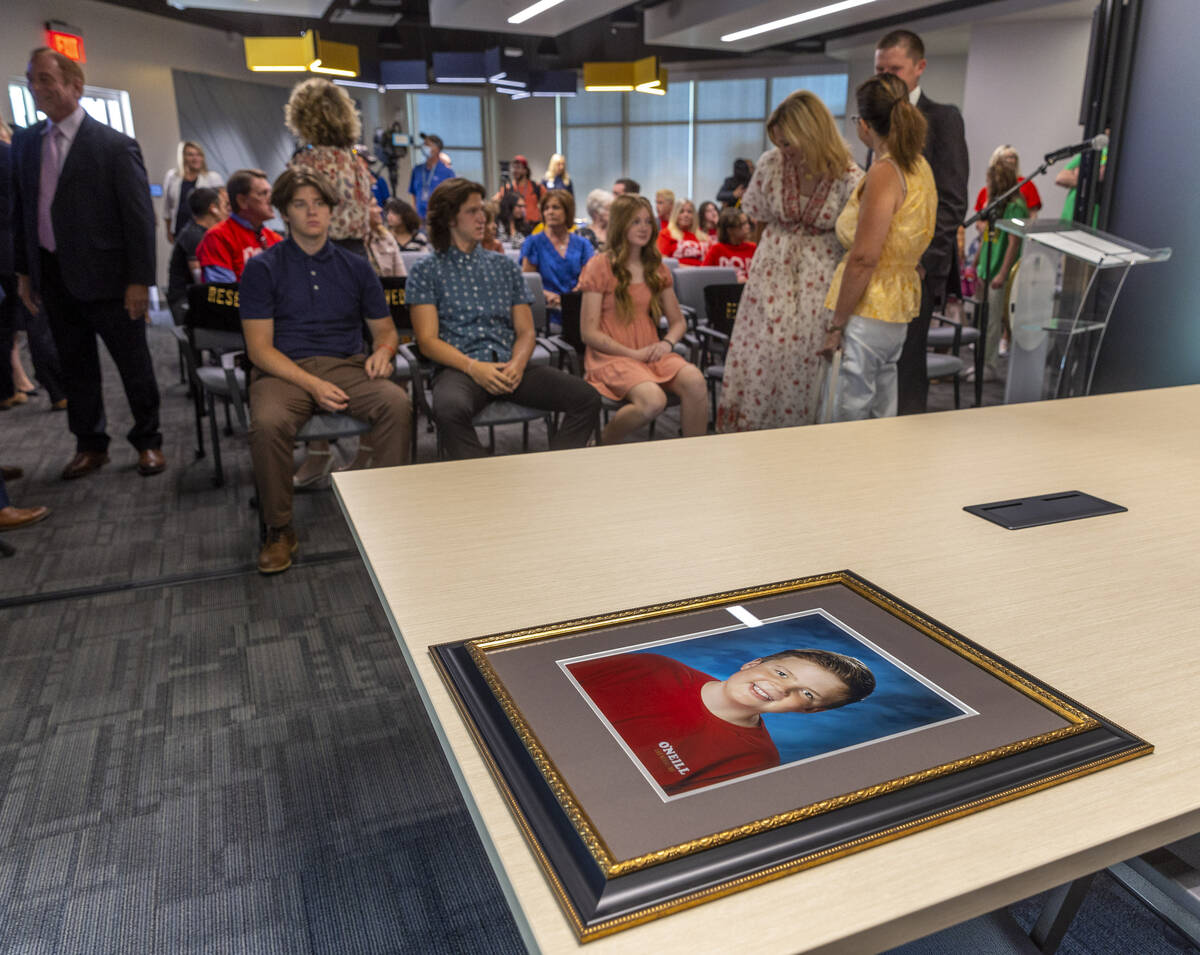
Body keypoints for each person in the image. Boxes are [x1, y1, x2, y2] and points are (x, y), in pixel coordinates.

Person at [239, 168, 412, 574]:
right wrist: (313, 385)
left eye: (319, 203)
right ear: (284, 212)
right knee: (266, 422)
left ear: (332, 210)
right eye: (300, 204)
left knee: (396, 404)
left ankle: (387, 514)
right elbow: (259, 350)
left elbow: (385, 331)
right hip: (285, 371)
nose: (312, 212)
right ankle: (279, 529)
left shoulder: (356, 267)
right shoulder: (263, 268)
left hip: (348, 366)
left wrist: (385, 352)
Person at [11, 47, 165, 479]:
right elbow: (22, 213)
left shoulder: (114, 145)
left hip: (112, 281)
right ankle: (90, 444)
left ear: (74, 85)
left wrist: (140, 281)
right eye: (31, 79)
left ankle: (148, 441)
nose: (36, 87)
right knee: (76, 368)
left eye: (45, 78)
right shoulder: (25, 143)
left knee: (133, 364)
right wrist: (25, 271)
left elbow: (139, 220)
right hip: (53, 277)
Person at [406, 178, 600, 460]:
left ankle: (559, 471)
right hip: (460, 367)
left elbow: (526, 332)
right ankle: (485, 487)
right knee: (448, 410)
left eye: (482, 210)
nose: (482, 217)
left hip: (511, 364)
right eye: (472, 211)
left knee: (586, 398)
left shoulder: (503, 266)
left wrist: (518, 365)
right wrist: (474, 368)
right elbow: (427, 341)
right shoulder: (427, 270)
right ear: (449, 218)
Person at [716, 91, 863, 433]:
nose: (784, 151)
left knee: (806, 358)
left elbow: (854, 239)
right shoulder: (771, 164)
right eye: (779, 143)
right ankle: (753, 435)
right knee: (764, 356)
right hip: (772, 275)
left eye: (788, 143)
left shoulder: (850, 176)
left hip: (820, 279)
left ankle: (799, 442)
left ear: (810, 133)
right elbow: (759, 221)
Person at [568, 647, 875, 795]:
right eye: (781, 673)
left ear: (811, 711)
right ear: (754, 663)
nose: (781, 688)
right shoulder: (648, 667)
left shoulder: (755, 763)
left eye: (806, 694)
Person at [819, 73, 937, 421]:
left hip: (867, 304)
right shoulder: (920, 167)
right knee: (881, 407)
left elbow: (864, 257)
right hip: (897, 305)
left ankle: (843, 475)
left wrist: (836, 325)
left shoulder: (886, 171)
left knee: (847, 409)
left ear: (866, 125)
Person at [874, 29, 969, 415]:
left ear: (919, 68)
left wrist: (923, 264)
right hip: (875, 270)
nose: (886, 77)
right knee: (874, 371)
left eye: (894, 69)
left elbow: (951, 202)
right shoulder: (875, 117)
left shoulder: (943, 118)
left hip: (914, 272)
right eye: (880, 69)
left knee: (907, 369)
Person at [579, 194, 707, 443]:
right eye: (635, 222)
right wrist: (633, 354)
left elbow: (678, 322)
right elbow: (588, 333)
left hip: (650, 351)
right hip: (611, 356)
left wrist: (666, 344)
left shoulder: (656, 267)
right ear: (621, 224)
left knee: (695, 381)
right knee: (653, 401)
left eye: (648, 222)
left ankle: (695, 458)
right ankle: (602, 444)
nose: (644, 228)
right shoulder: (599, 266)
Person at [286, 78, 375, 258]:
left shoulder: (304, 162)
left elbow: (293, 216)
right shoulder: (355, 161)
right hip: (357, 253)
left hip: (317, 252)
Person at [973, 146, 1028, 380]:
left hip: (998, 270)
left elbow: (1014, 242)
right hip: (986, 266)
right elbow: (987, 235)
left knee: (994, 320)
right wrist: (976, 262)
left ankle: (989, 365)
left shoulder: (1015, 204)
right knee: (983, 318)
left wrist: (1002, 273)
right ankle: (979, 362)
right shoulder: (995, 203)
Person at [521, 189, 594, 327]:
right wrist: (548, 295)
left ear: (567, 211)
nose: (550, 212)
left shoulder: (583, 244)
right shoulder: (533, 243)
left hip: (578, 311)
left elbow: (587, 278)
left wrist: (568, 300)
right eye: (546, 208)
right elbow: (527, 283)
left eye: (556, 207)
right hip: (547, 310)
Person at [196, 169, 282, 282]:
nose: (271, 200)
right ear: (242, 201)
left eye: (270, 193)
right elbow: (222, 293)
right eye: (263, 194)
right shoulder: (217, 237)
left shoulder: (274, 239)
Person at [167, 186, 229, 319]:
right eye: (225, 205)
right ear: (213, 208)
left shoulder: (203, 233)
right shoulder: (194, 235)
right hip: (186, 302)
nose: (228, 211)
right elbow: (200, 280)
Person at [162, 141, 223, 244]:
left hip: (206, 230)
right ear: (183, 157)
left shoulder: (213, 178)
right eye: (190, 155)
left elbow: (222, 206)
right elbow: (167, 208)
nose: (195, 158)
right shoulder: (172, 176)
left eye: (198, 154)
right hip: (180, 229)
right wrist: (168, 231)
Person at [973, 145, 1041, 221]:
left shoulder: (1026, 184)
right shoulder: (985, 191)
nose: (1011, 160)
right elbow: (979, 222)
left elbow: (1033, 216)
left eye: (1013, 157)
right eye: (1006, 157)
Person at [701, 208, 757, 281]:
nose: (748, 227)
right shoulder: (717, 249)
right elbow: (702, 276)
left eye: (747, 223)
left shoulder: (753, 248)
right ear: (730, 230)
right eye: (743, 224)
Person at [493, 154, 542, 237]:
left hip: (534, 227)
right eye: (514, 167)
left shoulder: (536, 187)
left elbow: (548, 200)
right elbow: (494, 201)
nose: (515, 170)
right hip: (517, 228)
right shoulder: (508, 188)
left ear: (525, 170)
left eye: (518, 167)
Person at [408, 133, 453, 221]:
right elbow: (413, 194)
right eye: (424, 144)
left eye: (428, 145)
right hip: (420, 217)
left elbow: (451, 196)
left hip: (439, 217)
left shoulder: (447, 172)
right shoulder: (417, 170)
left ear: (437, 149)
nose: (424, 147)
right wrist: (414, 212)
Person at [657, 199, 710, 266]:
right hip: (677, 274)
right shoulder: (666, 234)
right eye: (681, 211)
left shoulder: (704, 237)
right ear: (675, 214)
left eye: (689, 212)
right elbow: (663, 261)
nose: (686, 215)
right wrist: (688, 268)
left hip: (703, 273)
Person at [365, 199, 406, 279]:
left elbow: (401, 278)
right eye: (374, 206)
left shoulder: (386, 237)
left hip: (388, 290)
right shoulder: (354, 242)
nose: (380, 209)